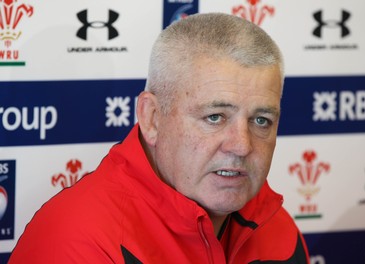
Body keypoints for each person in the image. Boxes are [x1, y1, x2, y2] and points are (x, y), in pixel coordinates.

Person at [9, 13, 309, 263]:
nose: (242, 145)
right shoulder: (79, 242)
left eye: (261, 120)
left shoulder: (278, 230)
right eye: (214, 117)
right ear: (152, 118)